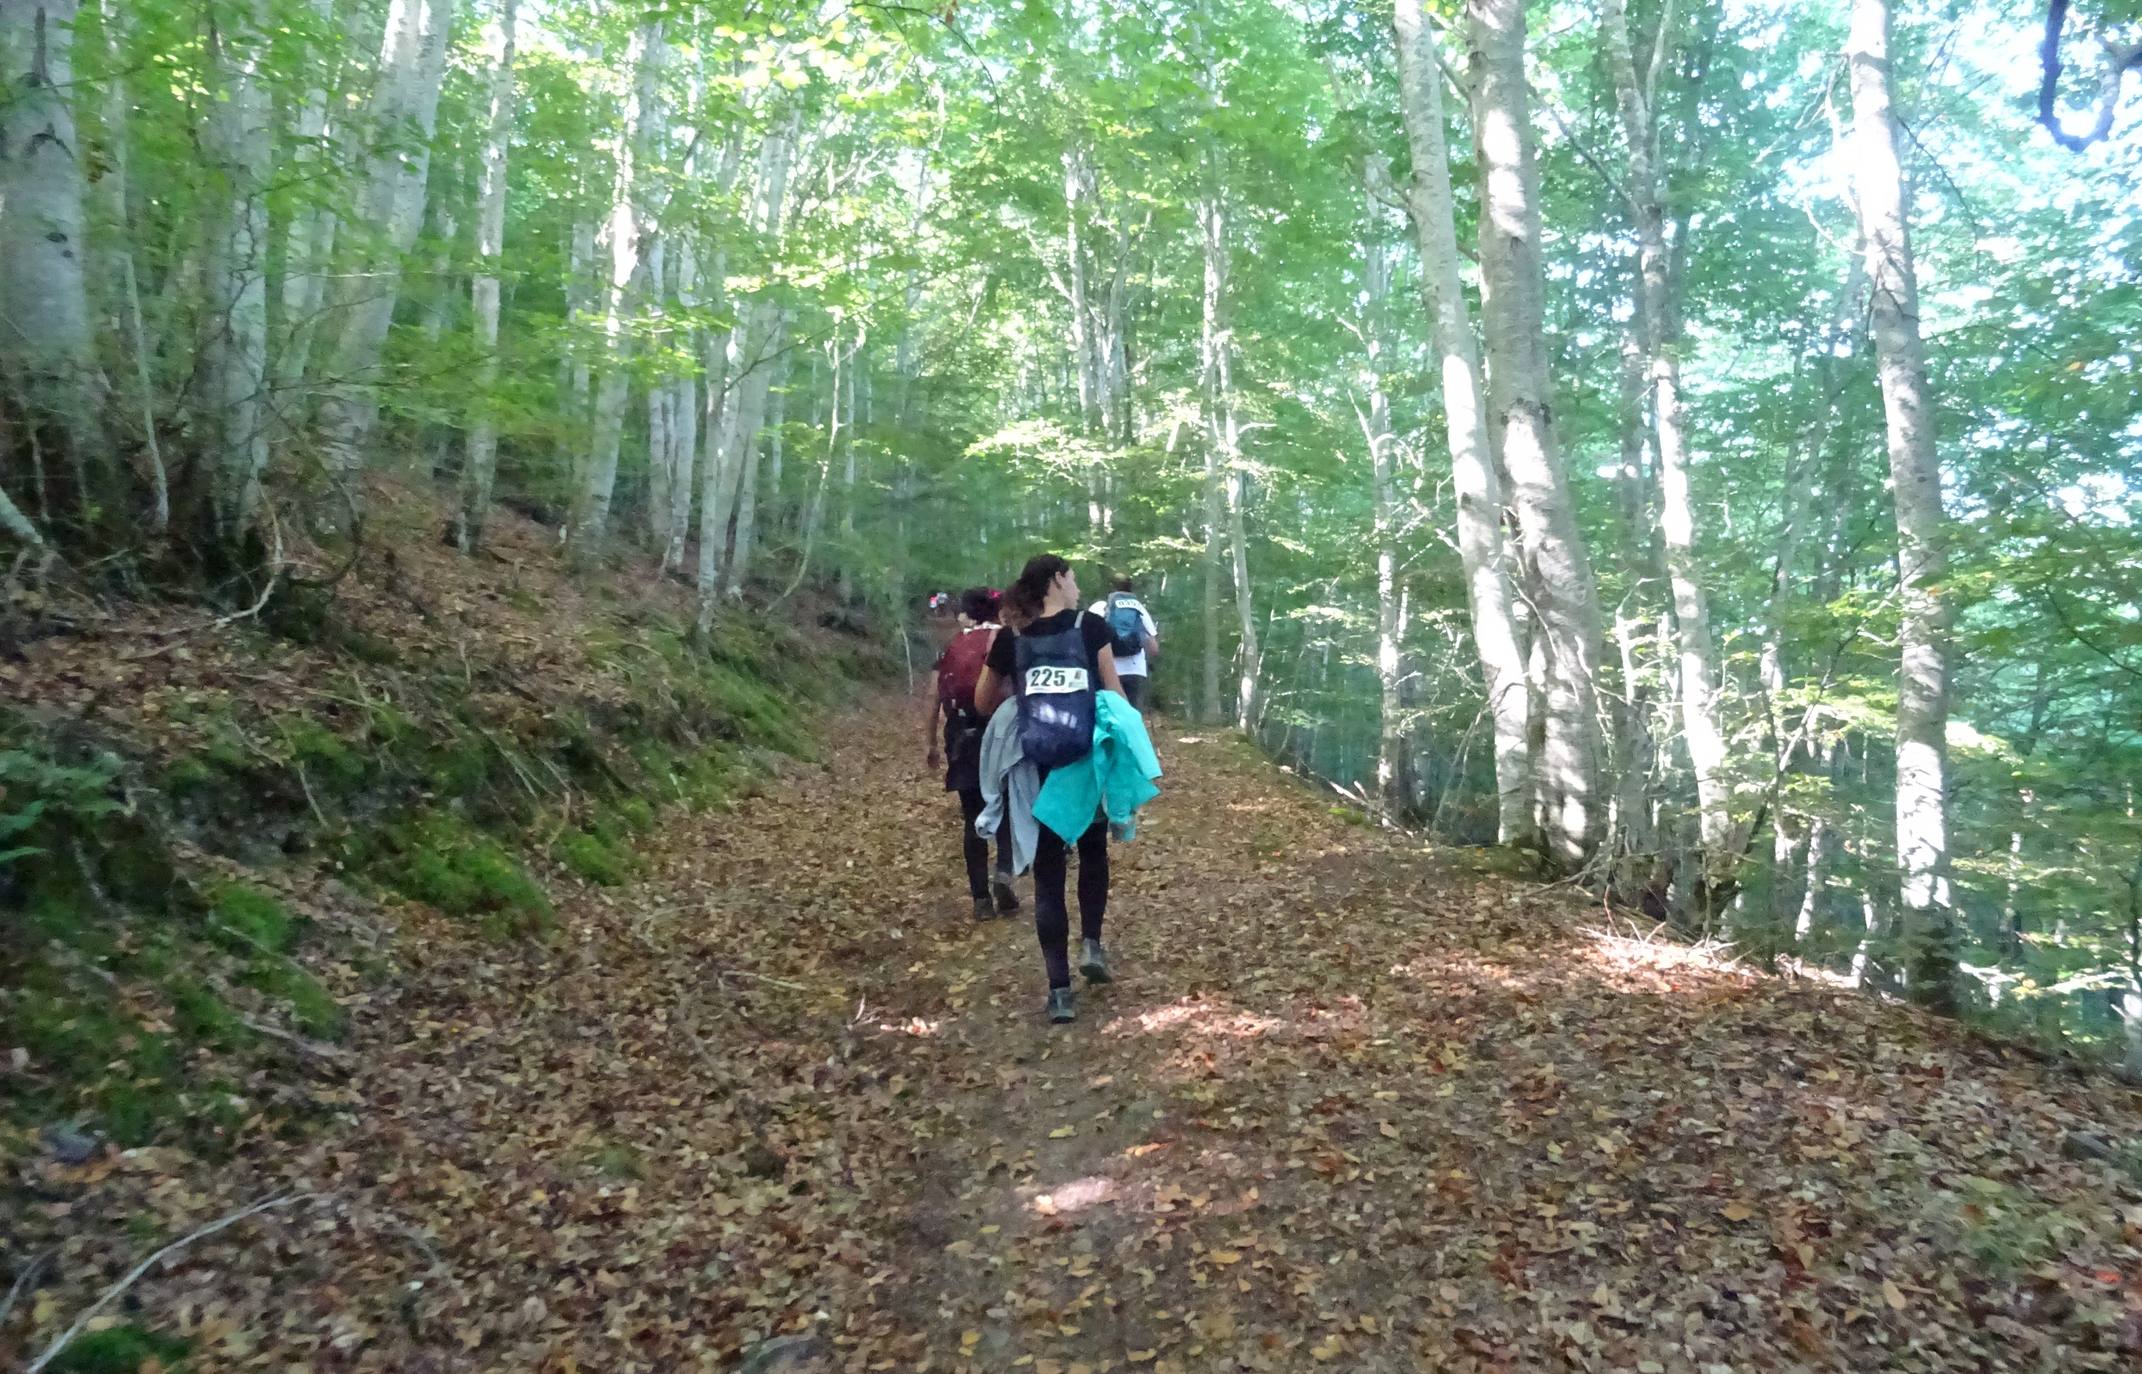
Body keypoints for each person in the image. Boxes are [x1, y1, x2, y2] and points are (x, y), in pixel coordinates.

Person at [976, 555, 1126, 1023]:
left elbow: (983, 702)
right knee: (1093, 852)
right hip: (1084, 766)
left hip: (1035, 769)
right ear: (1057, 580)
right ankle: (1092, 945)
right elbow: (1115, 696)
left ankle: (1059, 991)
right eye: (1074, 577)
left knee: (1047, 877)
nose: (1078, 586)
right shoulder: (1089, 627)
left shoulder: (1011, 637)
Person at [924, 587, 1019, 922]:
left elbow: (934, 697)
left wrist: (932, 742)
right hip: (1003, 730)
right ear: (996, 610)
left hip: (961, 734)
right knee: (1007, 803)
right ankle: (1004, 872)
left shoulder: (954, 646)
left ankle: (980, 898)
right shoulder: (1007, 639)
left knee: (973, 813)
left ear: (968, 612)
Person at [1091, 574, 1159, 714]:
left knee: (1108, 715)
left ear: (1110, 588)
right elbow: (1153, 647)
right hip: (1135, 671)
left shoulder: (1100, 607)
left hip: (1108, 670)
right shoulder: (1139, 608)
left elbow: (1087, 638)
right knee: (1131, 716)